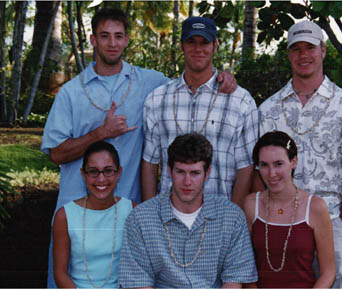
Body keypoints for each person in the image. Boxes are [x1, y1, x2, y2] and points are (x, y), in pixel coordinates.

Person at [41, 8, 236, 287]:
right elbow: (56, 154)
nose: (112, 43)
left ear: (127, 40)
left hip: (127, 214)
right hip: (78, 213)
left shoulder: (150, 83)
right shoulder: (71, 93)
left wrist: (223, 77)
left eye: (118, 36)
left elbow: (192, 82)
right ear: (93, 40)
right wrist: (100, 133)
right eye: (105, 36)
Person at [255, 20, 342, 288]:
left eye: (310, 48)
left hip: (332, 220)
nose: (304, 55)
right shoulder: (268, 110)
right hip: (279, 223)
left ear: (323, 51)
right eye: (296, 49)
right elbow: (259, 173)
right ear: (288, 54)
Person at [142, 17, 257, 206]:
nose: (198, 49)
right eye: (191, 42)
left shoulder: (240, 101)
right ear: (181, 46)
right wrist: (149, 216)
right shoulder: (157, 100)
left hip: (220, 216)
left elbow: (245, 167)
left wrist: (234, 217)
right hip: (169, 218)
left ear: (215, 46)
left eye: (205, 42)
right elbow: (150, 163)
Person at [118, 133, 257, 288]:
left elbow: (234, 280)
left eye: (195, 173)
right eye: (180, 172)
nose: (187, 181)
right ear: (170, 171)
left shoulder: (231, 216)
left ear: (207, 173)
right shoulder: (141, 218)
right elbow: (138, 282)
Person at [243, 131, 335, 288]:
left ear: (293, 161)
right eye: (264, 165)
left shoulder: (315, 207)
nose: (271, 174)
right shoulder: (251, 204)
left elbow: (328, 272)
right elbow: (245, 266)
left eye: (278, 164)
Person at [53, 141, 135, 288]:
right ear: (83, 174)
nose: (101, 179)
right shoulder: (65, 216)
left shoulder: (133, 212)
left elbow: (142, 270)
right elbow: (60, 274)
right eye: (93, 171)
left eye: (108, 170)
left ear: (119, 173)